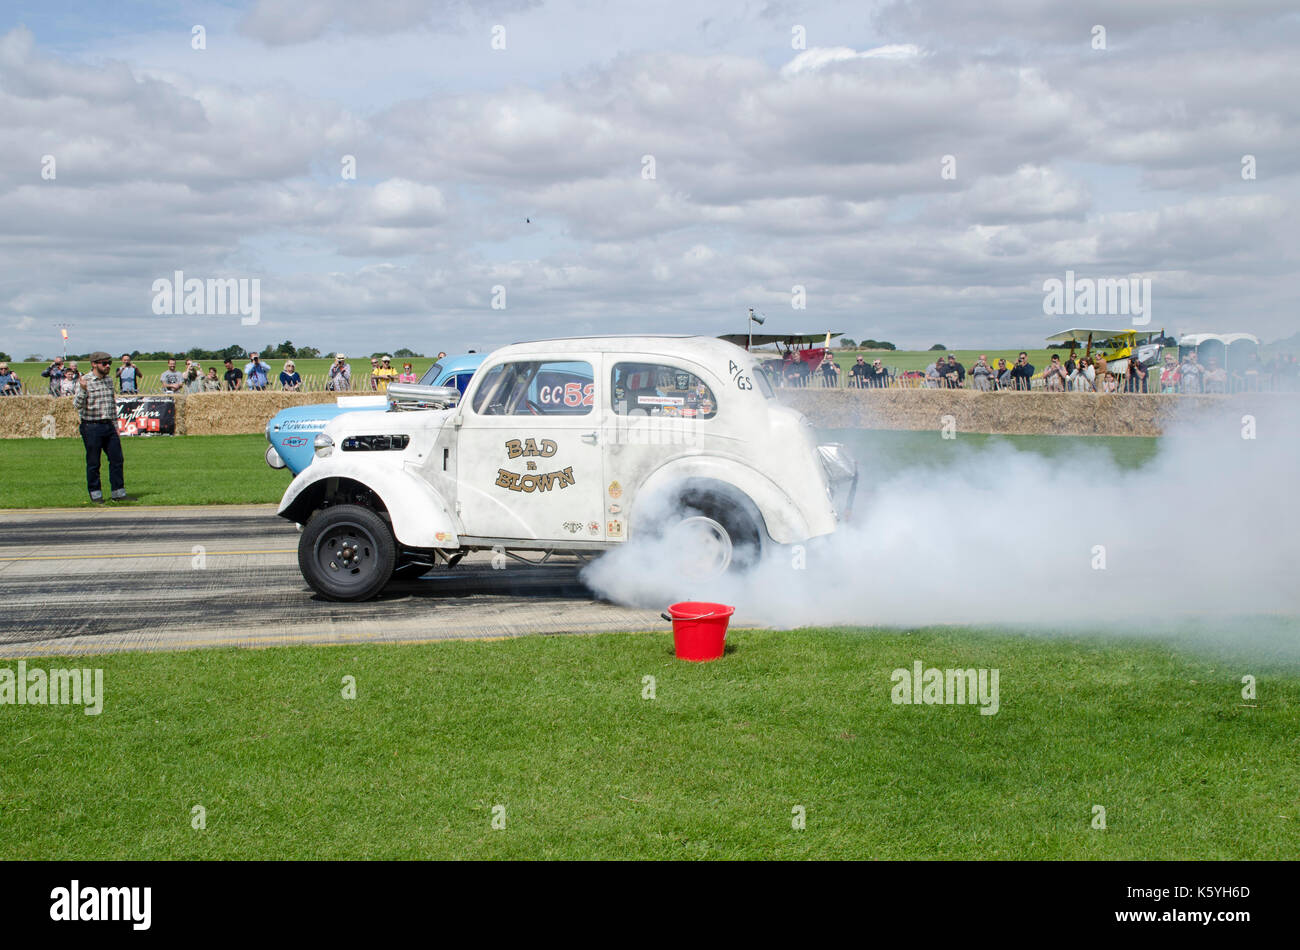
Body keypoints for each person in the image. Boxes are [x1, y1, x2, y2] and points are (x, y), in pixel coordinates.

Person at [73, 352, 127, 503]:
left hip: (109, 425)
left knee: (117, 459)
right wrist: (83, 390)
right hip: (91, 426)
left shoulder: (109, 380)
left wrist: (116, 427)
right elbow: (76, 405)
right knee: (94, 462)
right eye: (104, 363)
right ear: (94, 364)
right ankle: (95, 494)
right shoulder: (85, 381)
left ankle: (118, 493)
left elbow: (111, 405)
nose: (108, 365)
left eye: (109, 362)